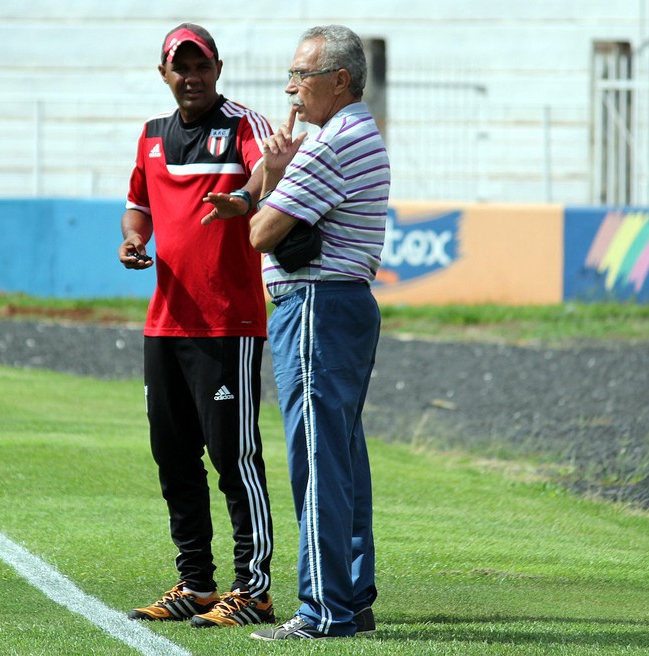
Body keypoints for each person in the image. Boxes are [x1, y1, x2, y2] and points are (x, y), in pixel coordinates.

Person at [118, 23, 276, 629]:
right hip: (166, 324)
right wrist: (134, 242)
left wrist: (247, 196)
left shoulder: (243, 124)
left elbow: (270, 171)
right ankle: (197, 583)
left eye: (200, 65)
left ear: (218, 67)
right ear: (164, 74)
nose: (191, 77)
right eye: (179, 67)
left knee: (234, 454)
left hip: (227, 323)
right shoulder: (152, 136)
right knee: (174, 456)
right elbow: (138, 207)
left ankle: (253, 589)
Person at [248, 25, 390, 640]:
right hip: (343, 305)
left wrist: (274, 173)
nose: (290, 88)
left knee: (316, 460)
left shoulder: (330, 143)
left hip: (314, 306)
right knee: (341, 457)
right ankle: (352, 598)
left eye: (301, 75)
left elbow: (260, 232)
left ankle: (323, 610)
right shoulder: (362, 134)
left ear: (338, 80)